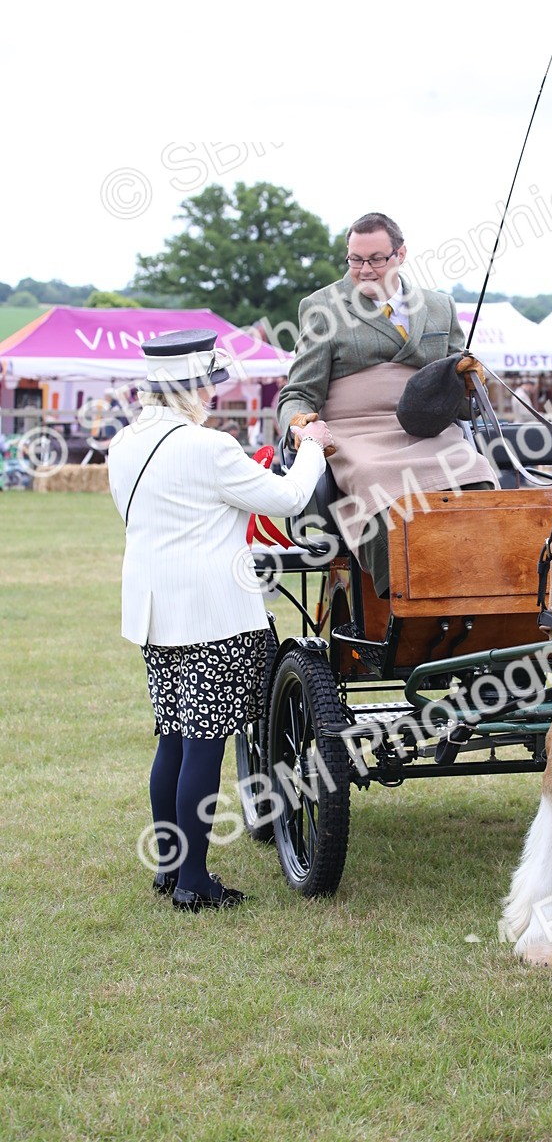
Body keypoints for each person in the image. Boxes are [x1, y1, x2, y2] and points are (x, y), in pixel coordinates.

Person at [108, 329, 334, 911]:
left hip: (156, 608)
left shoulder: (124, 444)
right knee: (203, 745)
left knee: (174, 739)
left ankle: (169, 866)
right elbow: (286, 499)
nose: (211, 396)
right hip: (212, 612)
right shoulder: (208, 447)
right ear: (188, 390)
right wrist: (311, 444)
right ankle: (194, 881)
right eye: (206, 386)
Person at [277, 211, 497, 598]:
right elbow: (299, 391)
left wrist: (467, 383)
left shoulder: (440, 306)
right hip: (354, 433)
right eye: (355, 259)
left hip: (426, 430)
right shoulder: (321, 307)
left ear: (400, 254)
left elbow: (463, 405)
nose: (363, 270)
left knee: (475, 467)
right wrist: (299, 425)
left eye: (375, 259)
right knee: (374, 479)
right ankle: (400, 602)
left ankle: (488, 583)